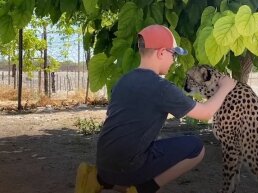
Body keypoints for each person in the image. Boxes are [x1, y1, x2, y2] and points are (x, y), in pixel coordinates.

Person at [75, 24, 237, 193]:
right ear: (161, 53)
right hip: (128, 167)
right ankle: (144, 189)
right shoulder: (162, 87)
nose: (174, 60)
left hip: (103, 163)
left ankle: (96, 179)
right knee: (196, 147)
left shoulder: (123, 80)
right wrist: (226, 86)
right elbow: (205, 113)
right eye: (173, 54)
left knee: (141, 145)